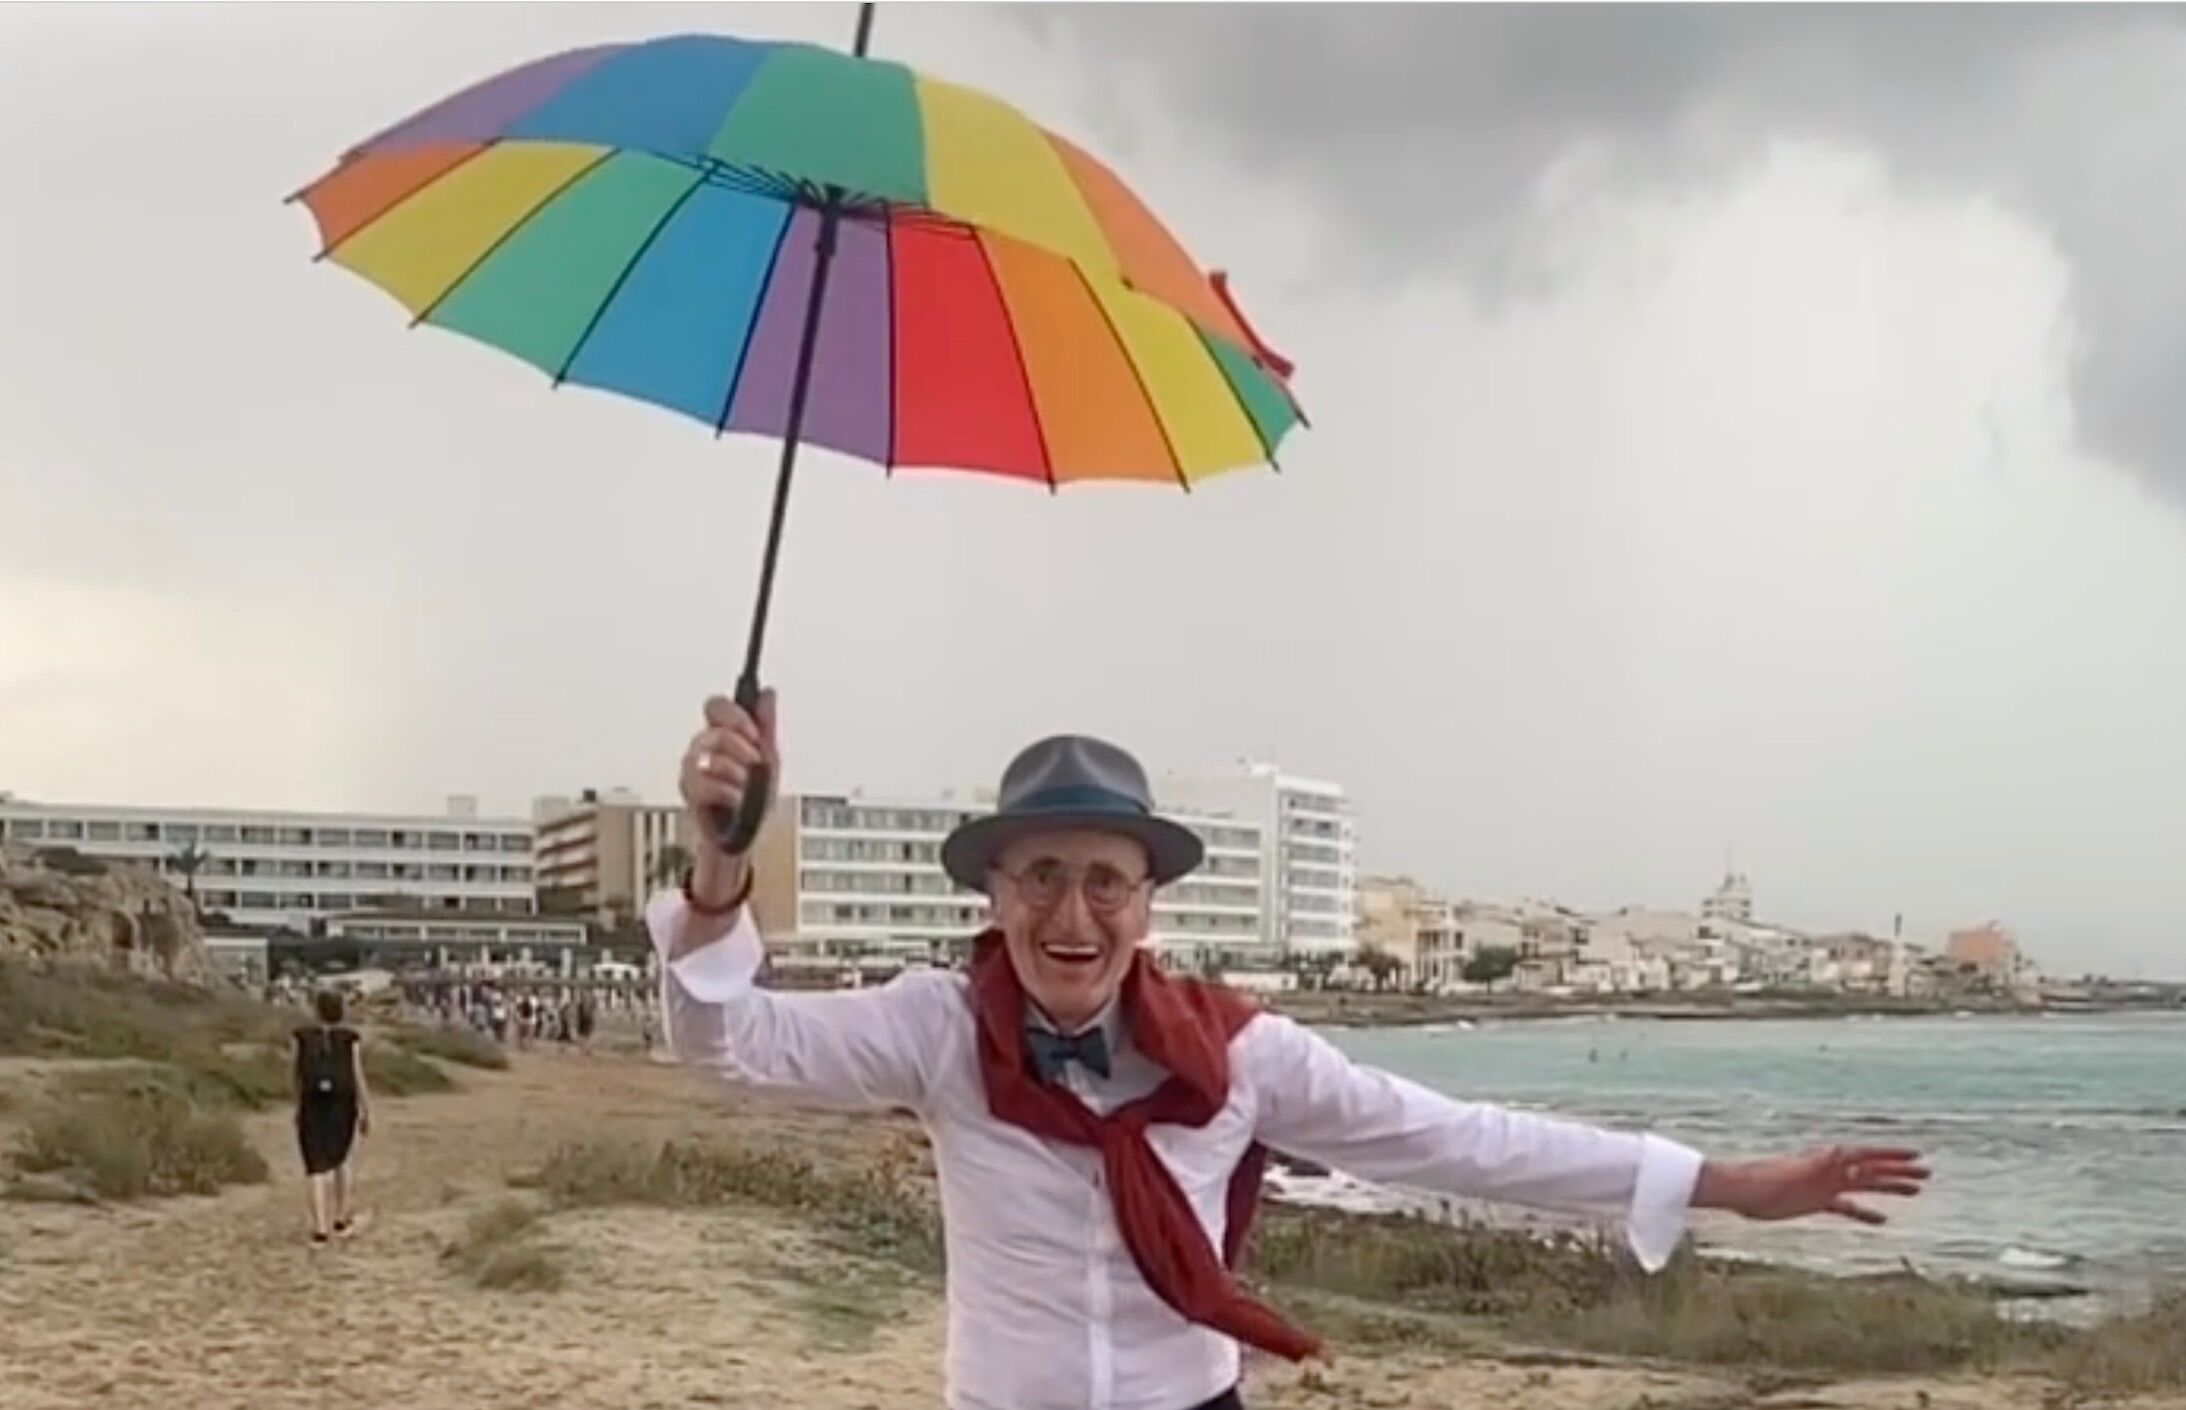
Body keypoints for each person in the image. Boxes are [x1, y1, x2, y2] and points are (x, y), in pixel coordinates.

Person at [656, 693, 1930, 1410]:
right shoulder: (937, 1029)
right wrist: (722, 864)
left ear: (1150, 905)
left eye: (1106, 882)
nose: (1072, 916)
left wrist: (1723, 1183)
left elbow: (1460, 1142)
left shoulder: (1236, 1054)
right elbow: (731, 1047)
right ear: (992, 894)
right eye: (1039, 878)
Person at [291, 989, 370, 1245]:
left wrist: (296, 1105)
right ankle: (341, 1216)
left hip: (311, 1102)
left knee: (315, 1165)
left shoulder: (301, 1036)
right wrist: (366, 1108)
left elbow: (296, 1075)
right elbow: (357, 1074)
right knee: (341, 1159)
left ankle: (319, 1227)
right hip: (342, 1101)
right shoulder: (350, 1038)